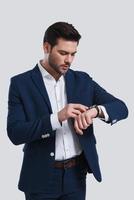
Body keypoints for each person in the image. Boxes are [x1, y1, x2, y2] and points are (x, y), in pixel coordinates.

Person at [7, 22, 128, 200]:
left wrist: (94, 111)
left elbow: (121, 107)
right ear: (46, 47)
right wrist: (57, 118)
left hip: (76, 177)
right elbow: (15, 133)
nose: (69, 60)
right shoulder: (20, 83)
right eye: (63, 53)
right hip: (40, 178)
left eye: (73, 54)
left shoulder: (83, 80)